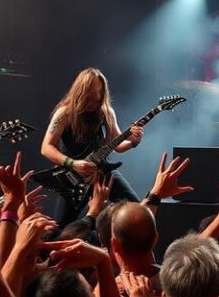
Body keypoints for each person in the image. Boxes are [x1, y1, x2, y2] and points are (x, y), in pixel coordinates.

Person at [41, 67, 143, 227]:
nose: (96, 97)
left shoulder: (106, 112)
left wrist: (134, 141)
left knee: (136, 211)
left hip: (102, 171)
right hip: (74, 177)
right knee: (60, 227)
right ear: (81, 91)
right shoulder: (64, 113)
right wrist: (73, 163)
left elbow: (118, 146)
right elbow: (46, 147)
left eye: (99, 93)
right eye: (91, 93)